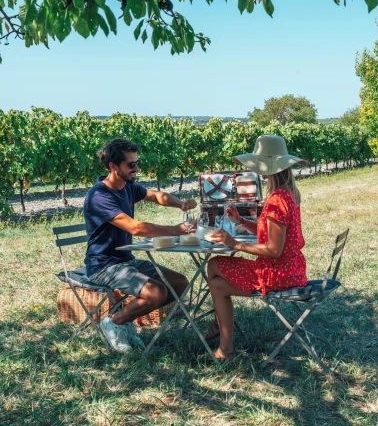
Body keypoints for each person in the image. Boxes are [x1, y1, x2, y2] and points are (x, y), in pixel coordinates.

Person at [84, 138, 197, 352]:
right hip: (104, 266)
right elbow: (135, 228)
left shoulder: (128, 186)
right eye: (131, 164)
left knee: (180, 283)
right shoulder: (99, 196)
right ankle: (115, 322)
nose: (137, 168)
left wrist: (180, 203)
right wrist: (175, 230)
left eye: (137, 162)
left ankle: (126, 320)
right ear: (113, 166)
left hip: (127, 260)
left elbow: (157, 196)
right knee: (156, 293)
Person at [206, 135, 308, 360]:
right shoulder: (288, 194)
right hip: (291, 269)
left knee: (216, 281)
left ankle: (226, 348)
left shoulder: (276, 200)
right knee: (214, 268)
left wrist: (235, 244)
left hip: (278, 274)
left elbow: (273, 249)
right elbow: (271, 234)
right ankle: (220, 327)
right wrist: (241, 222)